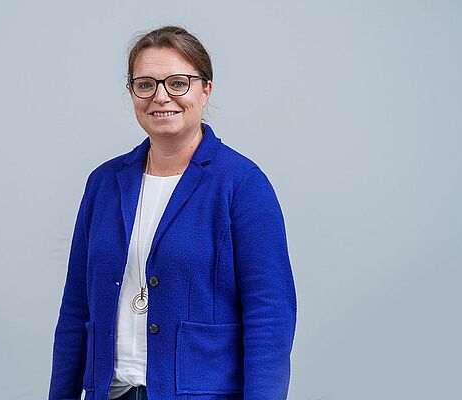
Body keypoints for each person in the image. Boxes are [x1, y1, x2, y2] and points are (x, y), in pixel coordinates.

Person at [49, 25, 297, 400]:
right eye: (146, 84)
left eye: (178, 83)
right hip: (111, 393)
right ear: (132, 92)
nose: (161, 96)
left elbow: (270, 316)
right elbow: (75, 307)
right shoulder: (104, 183)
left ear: (205, 89)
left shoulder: (241, 184)